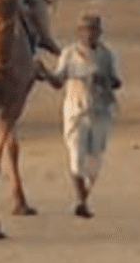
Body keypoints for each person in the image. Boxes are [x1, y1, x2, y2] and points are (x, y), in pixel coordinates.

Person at [37, 13, 121, 218]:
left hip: (100, 111)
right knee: (76, 156)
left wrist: (105, 81)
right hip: (75, 110)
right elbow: (58, 82)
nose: (89, 34)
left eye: (93, 30)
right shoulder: (69, 53)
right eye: (85, 30)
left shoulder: (107, 55)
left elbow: (117, 82)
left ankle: (84, 197)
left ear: (99, 33)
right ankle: (80, 201)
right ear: (80, 33)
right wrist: (45, 73)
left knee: (95, 163)